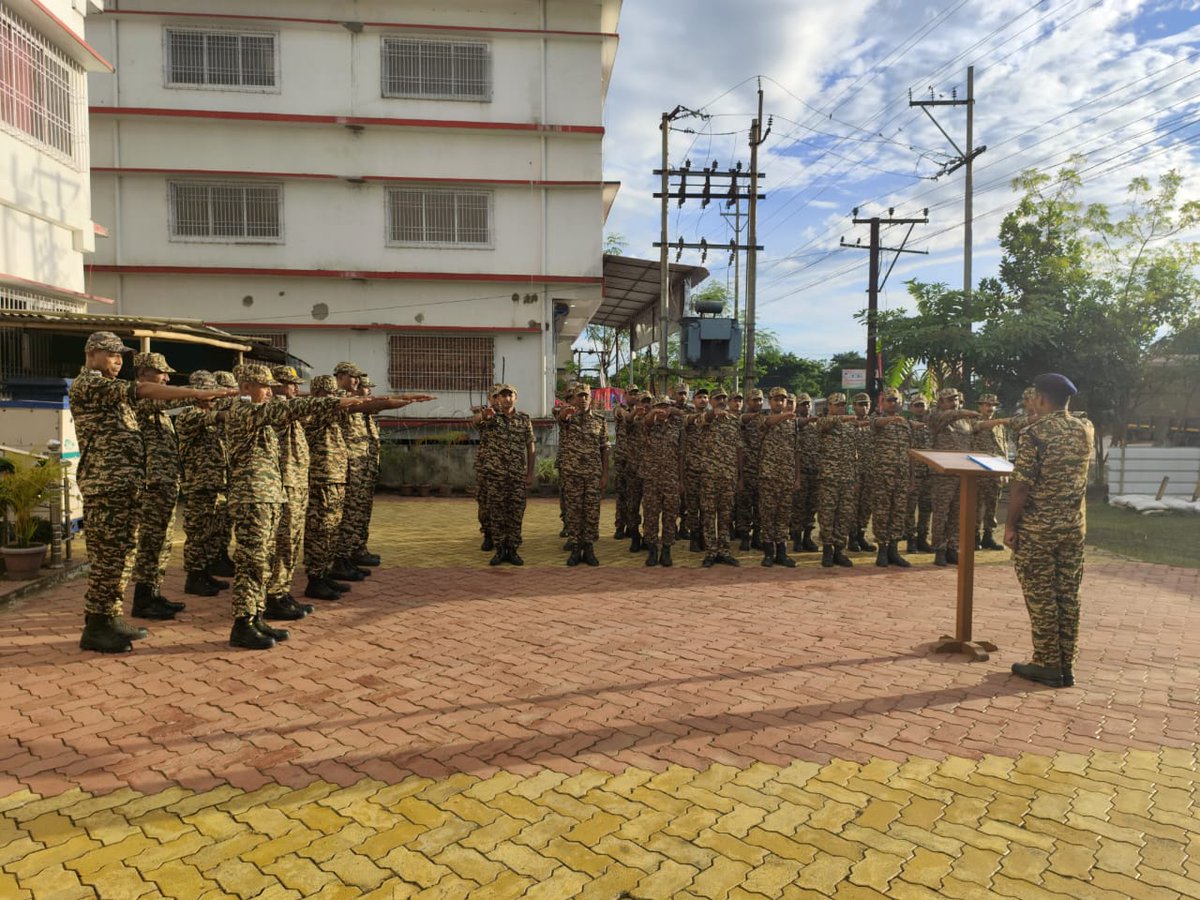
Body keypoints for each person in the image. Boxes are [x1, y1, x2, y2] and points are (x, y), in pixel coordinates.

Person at [69, 332, 232, 653]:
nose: (118, 360)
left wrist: (194, 398)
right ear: (92, 353)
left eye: (121, 355)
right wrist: (195, 392)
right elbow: (141, 390)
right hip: (106, 485)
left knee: (123, 554)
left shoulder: (111, 391)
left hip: (127, 484)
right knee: (107, 557)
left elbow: (148, 398)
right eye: (112, 354)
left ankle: (110, 617)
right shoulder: (88, 384)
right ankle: (96, 626)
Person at [221, 364, 363, 649]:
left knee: (263, 560)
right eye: (266, 387)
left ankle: (255, 617)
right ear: (246, 386)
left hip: (268, 495)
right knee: (252, 562)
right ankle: (242, 623)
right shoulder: (243, 409)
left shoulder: (258, 412)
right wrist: (342, 400)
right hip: (252, 496)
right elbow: (287, 409)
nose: (270, 393)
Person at [1005, 373, 1094, 688]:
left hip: (1039, 529)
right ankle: (1066, 665)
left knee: (1041, 595)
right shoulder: (1086, 429)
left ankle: (1045, 663)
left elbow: (1021, 487)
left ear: (1041, 399)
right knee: (1068, 595)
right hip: (1073, 527)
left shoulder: (1035, 434)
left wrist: (1010, 525)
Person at [129, 351, 188, 620]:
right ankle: (142, 600)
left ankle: (153, 593)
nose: (166, 377)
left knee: (163, 542)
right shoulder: (141, 401)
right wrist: (201, 394)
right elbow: (171, 398)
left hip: (164, 483)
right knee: (151, 541)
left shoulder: (158, 410)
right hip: (151, 483)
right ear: (143, 375)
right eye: (161, 373)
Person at [263, 365, 318, 621]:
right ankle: (273, 595)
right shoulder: (274, 408)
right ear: (275, 385)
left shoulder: (289, 406)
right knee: (282, 540)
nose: (296, 388)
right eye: (290, 383)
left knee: (292, 540)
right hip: (284, 484)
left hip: (297, 482)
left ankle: (282, 591)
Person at [177, 373, 230, 597]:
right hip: (198, 484)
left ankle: (206, 572)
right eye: (208, 393)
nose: (212, 398)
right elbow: (221, 417)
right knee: (197, 533)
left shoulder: (209, 414)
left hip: (215, 483)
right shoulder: (189, 415)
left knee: (211, 532)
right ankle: (194, 577)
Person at [474, 384, 535, 565]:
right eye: (503, 395)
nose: (507, 398)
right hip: (495, 476)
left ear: (515, 398)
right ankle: (500, 549)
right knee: (497, 512)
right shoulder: (491, 418)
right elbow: (475, 421)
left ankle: (513, 549)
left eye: (510, 395)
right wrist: (483, 415)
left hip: (517, 475)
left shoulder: (524, 419)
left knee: (516, 513)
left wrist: (530, 473)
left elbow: (530, 446)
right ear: (498, 398)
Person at [815, 393, 872, 568]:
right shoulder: (824, 422)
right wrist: (843, 418)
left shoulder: (850, 427)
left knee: (844, 515)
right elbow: (822, 425)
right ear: (830, 407)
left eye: (843, 405)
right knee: (827, 515)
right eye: (837, 405)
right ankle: (827, 550)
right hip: (829, 478)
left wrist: (855, 478)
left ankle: (839, 550)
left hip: (847, 478)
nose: (840, 407)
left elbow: (855, 454)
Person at [556, 384, 609, 566]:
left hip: (593, 474)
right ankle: (576, 548)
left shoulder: (600, 421)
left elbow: (604, 448)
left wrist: (604, 475)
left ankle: (589, 548)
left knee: (592, 512)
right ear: (575, 398)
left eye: (586, 395)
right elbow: (561, 417)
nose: (583, 399)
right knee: (574, 512)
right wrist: (564, 415)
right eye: (580, 396)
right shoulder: (568, 417)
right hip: (573, 475)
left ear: (591, 398)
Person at [869, 388, 919, 567]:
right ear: (882, 403)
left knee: (899, 513)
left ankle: (894, 550)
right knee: (882, 512)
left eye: (896, 400)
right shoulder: (875, 419)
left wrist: (912, 476)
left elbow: (910, 452)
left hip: (902, 475)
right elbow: (876, 424)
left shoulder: (905, 424)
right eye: (889, 400)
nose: (893, 403)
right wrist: (890, 419)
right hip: (883, 476)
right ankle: (882, 550)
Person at [695, 387, 742, 568]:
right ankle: (711, 552)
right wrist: (713, 414)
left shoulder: (734, 421)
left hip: (728, 476)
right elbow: (703, 421)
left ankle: (724, 551)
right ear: (711, 401)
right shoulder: (704, 417)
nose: (721, 401)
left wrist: (739, 476)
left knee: (725, 516)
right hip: (709, 476)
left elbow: (738, 449)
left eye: (723, 398)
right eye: (717, 399)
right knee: (708, 515)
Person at [635, 394, 684, 566]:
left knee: (670, 516)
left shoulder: (676, 426)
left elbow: (680, 454)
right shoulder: (646, 424)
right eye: (658, 406)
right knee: (650, 515)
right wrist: (651, 414)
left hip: (671, 478)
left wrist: (681, 481)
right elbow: (644, 424)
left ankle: (666, 550)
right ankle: (652, 549)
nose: (662, 410)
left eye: (665, 406)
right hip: (651, 478)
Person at [757, 387, 799, 567]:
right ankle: (768, 553)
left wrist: (797, 477)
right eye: (776, 399)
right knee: (768, 515)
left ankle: (782, 552)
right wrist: (786, 415)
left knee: (783, 516)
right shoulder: (764, 418)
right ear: (769, 400)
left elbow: (797, 450)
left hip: (787, 476)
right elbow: (768, 423)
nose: (779, 403)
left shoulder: (792, 423)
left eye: (782, 399)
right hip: (768, 475)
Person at [973, 393, 1009, 550]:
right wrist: (999, 420)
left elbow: (1003, 448)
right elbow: (978, 427)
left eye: (993, 405)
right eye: (987, 405)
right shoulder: (974, 421)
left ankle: (988, 535)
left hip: (996, 470)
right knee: (976, 505)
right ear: (980, 406)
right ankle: (974, 536)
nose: (990, 408)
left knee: (992, 504)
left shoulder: (999, 426)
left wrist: (1005, 470)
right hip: (979, 470)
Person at [904, 395, 934, 554]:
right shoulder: (907, 425)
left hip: (930, 472)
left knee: (926, 508)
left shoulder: (933, 426)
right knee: (910, 509)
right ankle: (911, 539)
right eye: (916, 406)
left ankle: (923, 538)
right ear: (911, 408)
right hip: (914, 472)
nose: (920, 408)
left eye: (922, 405)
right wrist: (910, 476)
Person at [737, 388, 766, 551]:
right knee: (744, 506)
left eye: (760, 400)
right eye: (755, 400)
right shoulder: (742, 420)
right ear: (748, 402)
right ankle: (744, 537)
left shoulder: (765, 419)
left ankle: (757, 536)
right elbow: (742, 419)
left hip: (762, 470)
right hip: (746, 470)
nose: (758, 403)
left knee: (760, 507)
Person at [612, 385, 641, 544]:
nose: (634, 397)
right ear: (625, 395)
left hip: (636, 460)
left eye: (637, 394)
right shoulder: (619, 408)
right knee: (621, 494)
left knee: (634, 496)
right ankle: (620, 526)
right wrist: (636, 411)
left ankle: (632, 526)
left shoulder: (643, 411)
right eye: (631, 394)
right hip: (622, 459)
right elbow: (627, 418)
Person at [791, 393, 820, 553]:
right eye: (802, 404)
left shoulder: (816, 425)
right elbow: (799, 423)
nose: (806, 407)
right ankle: (797, 538)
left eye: (808, 404)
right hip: (800, 471)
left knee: (811, 507)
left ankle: (807, 537)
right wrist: (808, 420)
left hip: (815, 471)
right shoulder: (793, 422)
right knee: (798, 507)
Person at [849, 392, 877, 552]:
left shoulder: (874, 424)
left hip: (870, 472)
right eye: (860, 404)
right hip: (855, 472)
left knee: (866, 506)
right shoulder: (849, 424)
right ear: (853, 406)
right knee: (853, 506)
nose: (863, 407)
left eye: (866, 404)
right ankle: (852, 538)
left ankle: (861, 535)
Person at [682, 387, 709, 550]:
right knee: (692, 505)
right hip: (691, 469)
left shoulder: (715, 419)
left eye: (705, 397)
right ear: (694, 401)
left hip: (708, 470)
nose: (703, 400)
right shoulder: (687, 416)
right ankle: (694, 537)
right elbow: (689, 420)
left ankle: (705, 536)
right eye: (699, 397)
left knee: (707, 506)